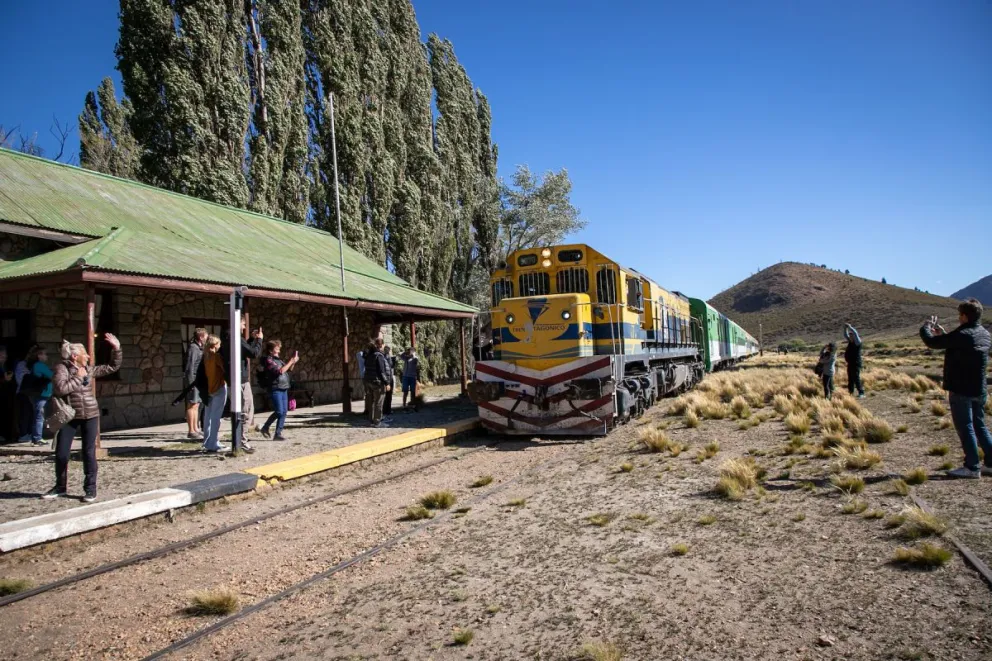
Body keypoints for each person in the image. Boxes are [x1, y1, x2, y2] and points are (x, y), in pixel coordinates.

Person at [920, 299, 992, 479]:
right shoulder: (984, 333)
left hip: (961, 388)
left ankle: (972, 467)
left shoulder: (963, 334)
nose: (959, 318)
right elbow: (962, 345)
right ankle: (990, 463)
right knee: (979, 425)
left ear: (965, 316)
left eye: (960, 315)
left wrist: (926, 328)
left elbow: (932, 342)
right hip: (979, 388)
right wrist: (945, 334)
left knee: (965, 426)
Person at [45, 334, 122, 502]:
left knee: (88, 453)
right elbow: (60, 389)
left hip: (90, 415)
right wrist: (78, 377)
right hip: (70, 416)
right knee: (62, 453)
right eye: (85, 353)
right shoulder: (61, 368)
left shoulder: (88, 369)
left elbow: (111, 367)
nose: (88, 356)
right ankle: (60, 487)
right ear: (74, 356)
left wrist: (116, 349)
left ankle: (90, 489)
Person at [221, 320, 263, 453]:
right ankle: (242, 440)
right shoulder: (237, 339)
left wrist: (251, 339)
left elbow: (244, 350)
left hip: (233, 379)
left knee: (240, 411)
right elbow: (253, 353)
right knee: (246, 410)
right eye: (243, 324)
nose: (244, 327)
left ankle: (239, 439)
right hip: (241, 380)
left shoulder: (229, 339)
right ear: (237, 323)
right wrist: (259, 340)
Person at [258, 339, 298, 441]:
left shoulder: (278, 360)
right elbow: (279, 371)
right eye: (277, 349)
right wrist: (290, 362)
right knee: (279, 411)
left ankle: (278, 433)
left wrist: (293, 362)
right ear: (271, 351)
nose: (279, 351)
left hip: (283, 387)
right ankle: (265, 427)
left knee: (284, 411)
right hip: (275, 388)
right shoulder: (268, 360)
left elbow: (289, 369)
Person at [194, 335, 228, 454]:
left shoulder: (205, 357)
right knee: (216, 417)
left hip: (208, 390)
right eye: (219, 344)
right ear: (215, 345)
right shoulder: (216, 357)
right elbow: (225, 369)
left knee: (208, 416)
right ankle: (213, 442)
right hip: (218, 387)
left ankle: (207, 441)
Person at [21, 345, 53, 447]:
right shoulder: (39, 365)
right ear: (39, 355)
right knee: (39, 416)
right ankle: (37, 438)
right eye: (45, 354)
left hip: (40, 393)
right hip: (42, 393)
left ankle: (36, 437)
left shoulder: (34, 365)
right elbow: (52, 375)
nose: (47, 356)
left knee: (38, 415)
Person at [183, 328, 207, 439]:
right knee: (192, 404)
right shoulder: (193, 348)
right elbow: (190, 366)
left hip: (198, 381)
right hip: (193, 381)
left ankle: (196, 428)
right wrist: (190, 383)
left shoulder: (199, 348)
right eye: (206, 336)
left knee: (197, 404)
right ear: (201, 336)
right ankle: (191, 430)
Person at [14, 346, 39, 442]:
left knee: (33, 414)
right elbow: (20, 379)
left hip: (34, 393)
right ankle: (23, 434)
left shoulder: (35, 365)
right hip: (23, 392)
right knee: (25, 414)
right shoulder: (22, 364)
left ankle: (30, 433)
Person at [363, 339, 390, 426]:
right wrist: (387, 383)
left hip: (368, 381)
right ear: (381, 345)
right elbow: (381, 371)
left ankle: (371, 420)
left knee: (371, 402)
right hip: (377, 382)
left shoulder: (369, 356)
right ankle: (377, 422)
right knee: (379, 402)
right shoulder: (379, 356)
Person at [843, 323, 865, 398]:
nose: (850, 336)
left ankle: (861, 393)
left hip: (856, 363)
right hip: (850, 363)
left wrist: (850, 327)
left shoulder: (857, 343)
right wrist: (845, 329)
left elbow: (855, 333)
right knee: (850, 378)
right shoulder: (850, 342)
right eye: (850, 335)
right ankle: (850, 392)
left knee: (856, 378)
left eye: (851, 335)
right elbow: (845, 335)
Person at [382, 346, 396, 416]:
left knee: (385, 395)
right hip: (389, 378)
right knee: (388, 395)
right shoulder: (387, 357)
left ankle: (385, 410)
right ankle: (388, 410)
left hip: (386, 378)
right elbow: (391, 367)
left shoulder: (383, 357)